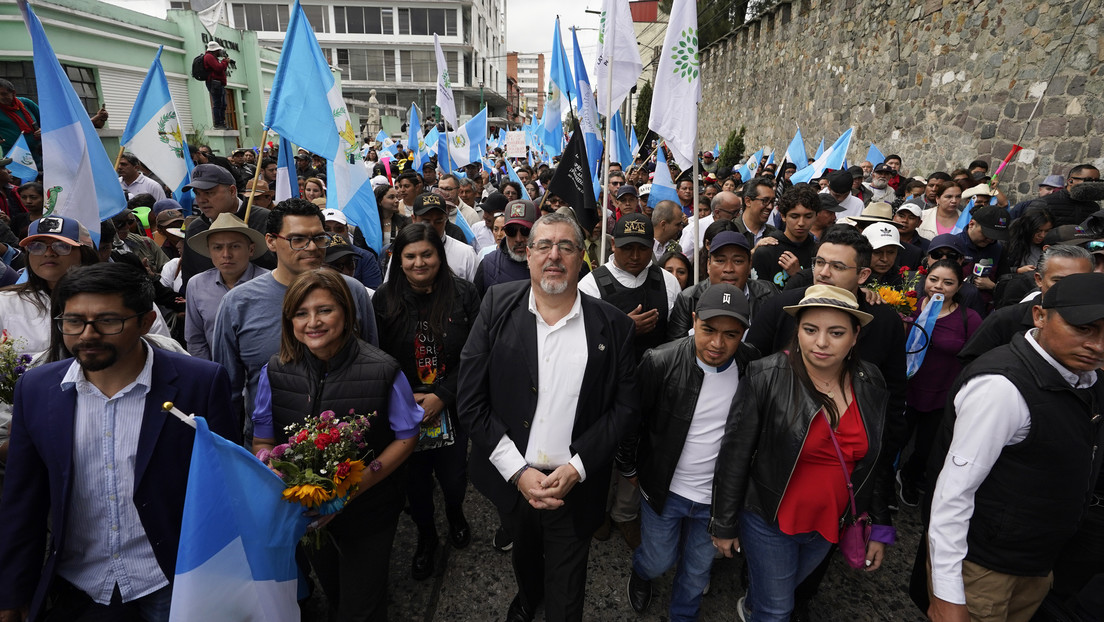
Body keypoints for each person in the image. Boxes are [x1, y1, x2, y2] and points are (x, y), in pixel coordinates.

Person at [0, 263, 240, 622]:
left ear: (145, 322)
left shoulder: (199, 384)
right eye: (73, 321)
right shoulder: (37, 390)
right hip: (80, 585)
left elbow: (226, 489)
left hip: (174, 583)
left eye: (108, 321)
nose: (87, 335)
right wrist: (14, 589)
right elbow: (23, 498)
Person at [458, 212, 639, 622]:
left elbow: (625, 409)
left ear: (582, 257)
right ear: (528, 253)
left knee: (568, 589)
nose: (553, 255)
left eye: (566, 246)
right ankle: (527, 601)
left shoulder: (613, 326)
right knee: (524, 557)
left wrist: (577, 467)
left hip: (574, 485)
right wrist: (518, 472)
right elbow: (470, 401)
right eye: (543, 245)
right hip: (510, 480)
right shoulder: (495, 305)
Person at [921, 272, 1104, 622]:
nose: (1097, 345)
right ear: (1039, 316)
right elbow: (953, 494)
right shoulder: (1002, 388)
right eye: (1084, 328)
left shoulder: (1086, 378)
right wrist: (947, 592)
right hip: (984, 570)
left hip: (1035, 564)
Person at [711, 284, 895, 621]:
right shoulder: (765, 375)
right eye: (810, 330)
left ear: (855, 336)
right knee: (778, 609)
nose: (821, 342)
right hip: (770, 520)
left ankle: (753, 603)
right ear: (798, 332)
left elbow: (875, 463)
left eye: (836, 332)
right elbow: (734, 455)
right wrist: (723, 524)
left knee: (781, 590)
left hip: (829, 524)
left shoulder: (872, 381)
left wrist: (880, 526)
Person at [251, 269, 420, 621]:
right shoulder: (275, 369)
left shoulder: (384, 369)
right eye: (301, 313)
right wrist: (271, 465)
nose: (313, 322)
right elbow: (264, 438)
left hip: (370, 513)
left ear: (346, 312)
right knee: (334, 590)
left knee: (363, 606)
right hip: (307, 515)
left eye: (324, 310)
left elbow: (406, 437)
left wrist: (353, 486)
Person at [621, 284, 756, 621]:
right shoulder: (660, 361)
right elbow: (631, 420)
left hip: (714, 499)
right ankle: (641, 571)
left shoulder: (754, 366)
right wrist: (629, 468)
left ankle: (684, 614)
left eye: (731, 334)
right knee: (658, 559)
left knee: (697, 571)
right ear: (694, 320)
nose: (717, 344)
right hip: (665, 490)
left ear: (743, 333)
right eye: (708, 330)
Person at [212, 198, 379, 432]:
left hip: (347, 448)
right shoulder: (237, 303)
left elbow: (374, 371)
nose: (311, 248)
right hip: (267, 450)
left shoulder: (353, 292)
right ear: (271, 241)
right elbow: (227, 390)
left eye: (318, 238)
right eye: (297, 240)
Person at [373, 223, 481, 581]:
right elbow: (378, 357)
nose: (419, 262)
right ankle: (426, 535)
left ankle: (454, 512)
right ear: (399, 259)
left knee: (453, 477)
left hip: (452, 404)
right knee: (415, 483)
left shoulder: (464, 294)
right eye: (410, 256)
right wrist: (407, 399)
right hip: (403, 410)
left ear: (440, 255)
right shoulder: (384, 299)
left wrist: (442, 395)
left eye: (427, 254)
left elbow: (477, 354)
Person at [0, 216, 165, 359]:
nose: (48, 253)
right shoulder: (5, 302)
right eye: (36, 246)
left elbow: (158, 351)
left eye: (62, 246)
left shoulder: (127, 297)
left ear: (85, 252)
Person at [895, 260, 982, 508]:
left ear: (959, 286)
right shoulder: (906, 307)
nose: (938, 287)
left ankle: (910, 476)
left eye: (948, 282)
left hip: (941, 395)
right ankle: (883, 484)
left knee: (927, 447)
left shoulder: (970, 318)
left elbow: (975, 357)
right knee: (895, 440)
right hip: (906, 390)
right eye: (934, 279)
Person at [958, 245, 1092, 364]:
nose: (1068, 288)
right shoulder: (1005, 320)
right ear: (1039, 280)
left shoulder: (1097, 323)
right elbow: (971, 363)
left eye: (1077, 281)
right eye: (1058, 281)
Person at [184, 212, 268, 360]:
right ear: (209, 251)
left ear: (251, 249)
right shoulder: (197, 285)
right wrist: (210, 374)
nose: (226, 254)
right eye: (217, 248)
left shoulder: (269, 282)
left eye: (235, 246)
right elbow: (195, 339)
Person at [667, 231, 777, 339]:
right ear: (709, 265)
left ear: (749, 265)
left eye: (738, 261)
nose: (728, 269)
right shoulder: (688, 298)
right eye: (720, 261)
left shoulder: (768, 293)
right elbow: (678, 347)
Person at [179, 163, 275, 287]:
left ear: (232, 191)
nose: (202, 200)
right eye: (197, 193)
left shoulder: (266, 221)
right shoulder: (195, 229)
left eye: (209, 193)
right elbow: (190, 276)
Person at [752, 185, 820, 290]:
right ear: (783, 216)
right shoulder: (766, 251)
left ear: (816, 216)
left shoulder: (819, 252)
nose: (801, 223)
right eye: (794, 216)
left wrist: (799, 276)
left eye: (808, 216)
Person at [408, 192, 478, 282]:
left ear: (446, 219)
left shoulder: (466, 254)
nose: (432, 226)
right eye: (426, 221)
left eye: (438, 221)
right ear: (414, 219)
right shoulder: (402, 251)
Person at [475, 198, 538, 296]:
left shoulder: (550, 265)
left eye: (525, 231)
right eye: (511, 231)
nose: (518, 239)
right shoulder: (488, 264)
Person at [202, 41, 231, 129]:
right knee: (217, 104)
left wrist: (224, 62)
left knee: (223, 104)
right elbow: (218, 68)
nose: (220, 52)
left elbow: (220, 68)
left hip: (218, 84)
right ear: (215, 50)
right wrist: (225, 62)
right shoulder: (209, 57)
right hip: (214, 84)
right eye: (218, 50)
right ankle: (218, 124)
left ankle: (222, 123)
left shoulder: (213, 57)